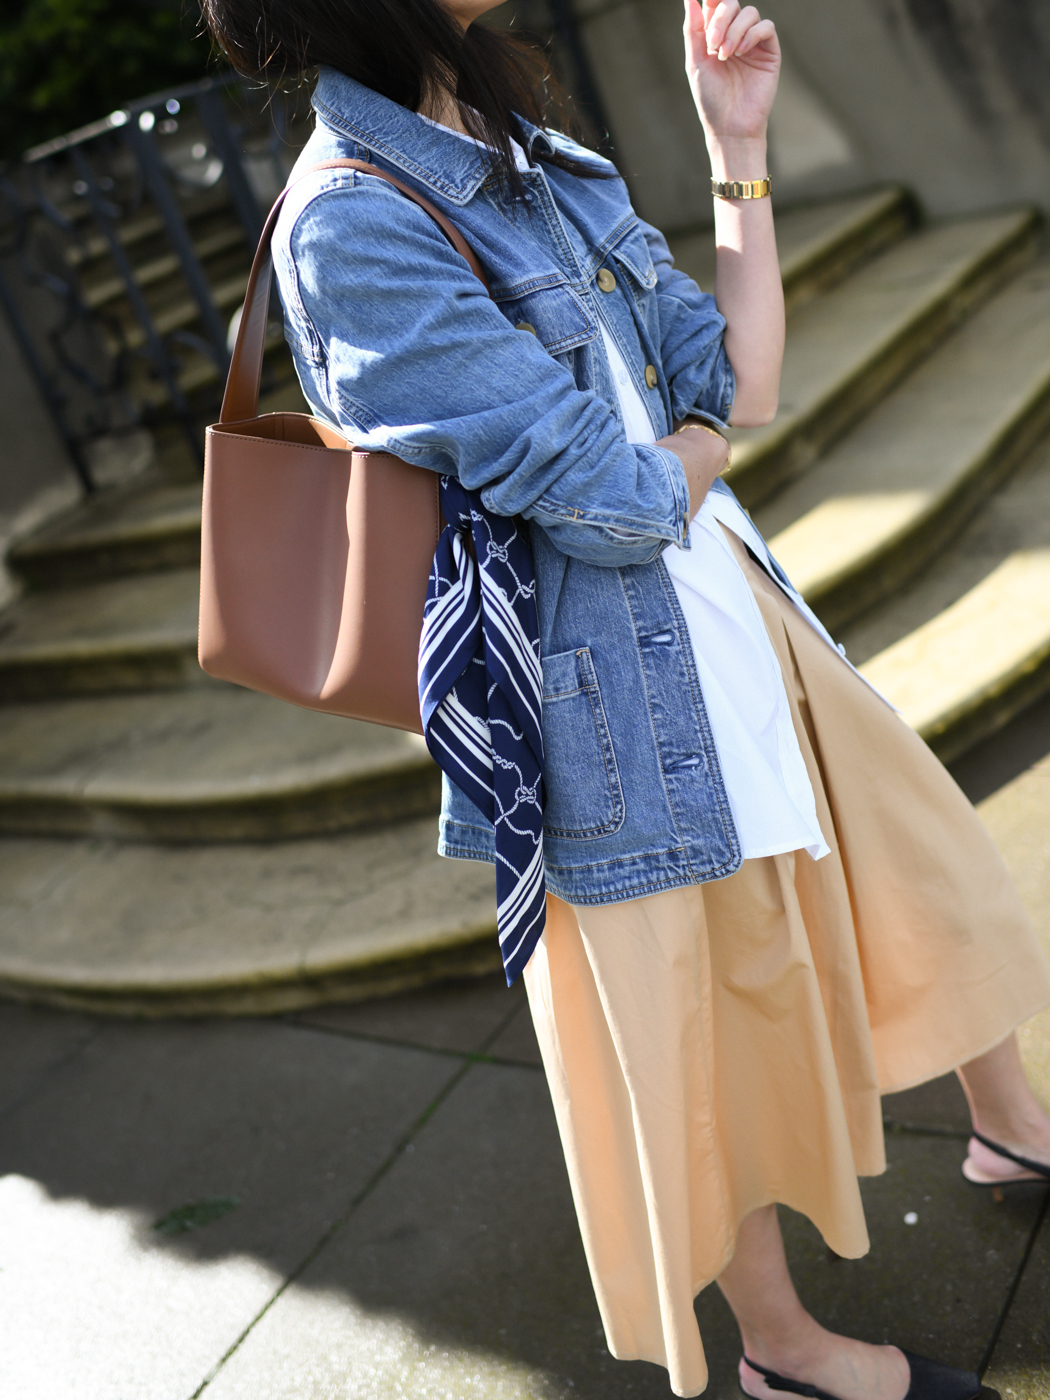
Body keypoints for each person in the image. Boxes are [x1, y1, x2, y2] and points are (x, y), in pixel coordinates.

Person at [202, 0, 1050, 1394]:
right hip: (593, 700)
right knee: (689, 1033)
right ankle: (783, 1354)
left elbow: (737, 384)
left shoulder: (529, 151)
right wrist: (687, 452)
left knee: (920, 862)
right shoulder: (349, 223)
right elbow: (609, 499)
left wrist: (736, 145)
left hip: (728, 605)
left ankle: (1012, 1124)